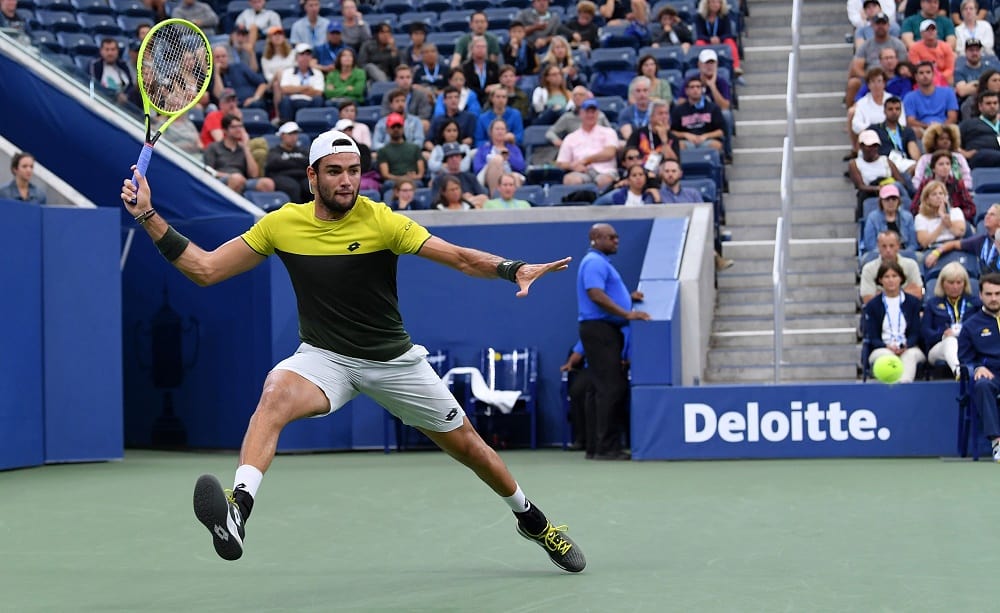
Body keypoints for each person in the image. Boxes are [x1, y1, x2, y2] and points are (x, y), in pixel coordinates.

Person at [119, 128, 585, 571]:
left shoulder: (382, 220)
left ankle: (533, 521)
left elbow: (460, 257)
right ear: (312, 177)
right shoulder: (282, 224)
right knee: (275, 391)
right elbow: (205, 269)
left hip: (393, 362)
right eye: (335, 171)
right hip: (326, 358)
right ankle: (237, 512)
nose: (347, 181)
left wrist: (513, 269)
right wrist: (147, 216)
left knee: (471, 449)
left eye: (353, 170)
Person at [577, 223, 650, 460]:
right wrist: (627, 313)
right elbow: (595, 294)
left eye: (617, 237)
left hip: (601, 330)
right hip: (601, 331)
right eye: (611, 237)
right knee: (610, 388)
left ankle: (595, 446)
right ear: (596, 238)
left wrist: (627, 299)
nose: (616, 240)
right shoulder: (594, 262)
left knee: (599, 388)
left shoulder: (599, 262)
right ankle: (606, 447)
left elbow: (604, 293)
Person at [958, 271, 1000, 461]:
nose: (994, 299)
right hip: (992, 375)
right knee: (982, 384)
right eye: (989, 294)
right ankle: (997, 443)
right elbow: (965, 358)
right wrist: (977, 368)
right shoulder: (970, 325)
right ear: (980, 295)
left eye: (998, 294)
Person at [862, 259, 926, 382]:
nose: (891, 280)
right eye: (886, 277)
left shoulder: (913, 302)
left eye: (894, 276)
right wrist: (887, 346)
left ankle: (904, 388)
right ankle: (893, 394)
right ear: (880, 280)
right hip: (882, 348)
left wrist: (906, 346)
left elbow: (915, 333)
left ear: (901, 278)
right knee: (887, 356)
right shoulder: (873, 305)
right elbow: (873, 336)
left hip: (909, 347)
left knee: (910, 356)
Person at [922, 261, 978, 377]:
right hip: (939, 348)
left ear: (965, 283)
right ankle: (958, 371)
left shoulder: (975, 303)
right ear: (942, 283)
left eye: (959, 282)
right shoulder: (932, 304)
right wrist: (942, 334)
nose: (955, 287)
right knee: (951, 341)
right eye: (951, 282)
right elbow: (925, 333)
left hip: (967, 346)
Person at [204, 114, 276, 195]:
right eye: (234, 127)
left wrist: (246, 148)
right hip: (221, 180)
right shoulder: (214, 147)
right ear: (225, 130)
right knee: (236, 179)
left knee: (268, 183)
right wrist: (231, 176)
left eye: (240, 126)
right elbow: (209, 172)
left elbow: (254, 175)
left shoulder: (243, 149)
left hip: (242, 180)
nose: (238, 130)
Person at [556, 99, 619, 189]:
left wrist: (585, 160)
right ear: (581, 114)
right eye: (587, 112)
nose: (590, 115)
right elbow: (561, 162)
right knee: (570, 179)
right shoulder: (571, 137)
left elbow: (609, 153)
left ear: (597, 114)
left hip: (605, 171)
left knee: (604, 180)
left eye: (593, 112)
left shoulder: (609, 132)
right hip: (582, 172)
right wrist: (573, 166)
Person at [848, 129, 908, 218]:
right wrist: (878, 189)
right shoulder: (854, 164)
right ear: (861, 146)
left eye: (875, 146)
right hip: (870, 194)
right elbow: (860, 186)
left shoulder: (886, 161)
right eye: (869, 146)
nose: (873, 149)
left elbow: (901, 181)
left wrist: (889, 187)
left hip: (890, 191)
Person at [926, 203, 1000, 274]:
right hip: (988, 282)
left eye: (992, 214)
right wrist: (936, 253)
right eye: (987, 213)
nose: (987, 216)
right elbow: (954, 244)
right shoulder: (981, 241)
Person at [860, 229, 924, 303]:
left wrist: (881, 294)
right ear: (878, 247)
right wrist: (905, 292)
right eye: (884, 246)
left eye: (891, 246)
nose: (888, 250)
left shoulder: (911, 265)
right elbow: (867, 299)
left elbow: (921, 292)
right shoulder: (868, 269)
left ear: (898, 246)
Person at [902, 61, 959, 139]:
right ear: (916, 76)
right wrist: (928, 126)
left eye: (928, 72)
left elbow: (952, 117)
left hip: (945, 129)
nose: (925, 75)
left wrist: (940, 127)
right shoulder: (909, 97)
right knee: (914, 131)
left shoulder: (948, 92)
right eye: (921, 73)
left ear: (933, 75)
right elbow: (910, 121)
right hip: (922, 130)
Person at [670, 77, 726, 153]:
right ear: (687, 91)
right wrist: (685, 135)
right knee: (678, 145)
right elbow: (672, 132)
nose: (695, 89)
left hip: (707, 140)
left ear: (702, 90)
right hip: (686, 142)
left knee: (716, 145)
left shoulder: (713, 108)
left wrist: (705, 136)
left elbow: (721, 131)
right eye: (692, 87)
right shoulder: (678, 110)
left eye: (698, 87)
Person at [867, 95, 920, 174]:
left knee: (917, 168)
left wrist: (919, 164)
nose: (894, 112)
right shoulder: (874, 129)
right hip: (884, 163)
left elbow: (914, 152)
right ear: (884, 111)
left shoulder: (907, 131)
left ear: (901, 111)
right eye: (890, 109)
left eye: (897, 109)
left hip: (903, 163)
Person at [912, 123, 973, 191]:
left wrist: (962, 188)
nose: (945, 141)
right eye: (941, 139)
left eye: (948, 139)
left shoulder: (959, 157)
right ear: (934, 141)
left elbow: (966, 176)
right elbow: (917, 179)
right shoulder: (925, 159)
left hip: (957, 192)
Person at [472, 119, 526, 195]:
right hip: (488, 176)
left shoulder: (513, 148)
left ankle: (515, 202)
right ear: (491, 132)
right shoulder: (483, 149)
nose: (500, 131)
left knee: (515, 176)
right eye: (497, 129)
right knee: (497, 160)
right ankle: (495, 196)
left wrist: (509, 157)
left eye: (502, 129)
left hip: (509, 174)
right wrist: (493, 164)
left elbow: (521, 167)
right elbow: (477, 168)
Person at [914, 178, 967, 251]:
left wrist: (946, 220)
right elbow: (924, 243)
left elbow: (960, 233)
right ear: (927, 200)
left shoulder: (956, 212)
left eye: (941, 193)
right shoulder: (920, 218)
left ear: (946, 196)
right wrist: (942, 225)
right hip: (933, 249)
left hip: (954, 247)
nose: (938, 197)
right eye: (934, 194)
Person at [863, 183, 918, 254]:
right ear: (881, 201)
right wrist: (887, 253)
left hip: (904, 253)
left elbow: (913, 244)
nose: (891, 202)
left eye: (894, 199)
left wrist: (903, 253)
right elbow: (870, 245)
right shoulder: (873, 218)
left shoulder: (908, 217)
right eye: (887, 199)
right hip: (879, 254)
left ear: (898, 201)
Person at [277, 44, 325, 123]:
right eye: (302, 54)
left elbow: (318, 92)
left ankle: (313, 124)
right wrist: (305, 88)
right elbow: (284, 89)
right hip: (292, 101)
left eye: (308, 55)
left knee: (318, 99)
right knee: (285, 100)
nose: (305, 57)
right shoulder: (288, 72)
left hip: (310, 102)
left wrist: (294, 89)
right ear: (296, 57)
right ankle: (287, 125)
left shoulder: (317, 73)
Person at [264, 121, 310, 202]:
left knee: (310, 186)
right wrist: (299, 162)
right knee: (292, 187)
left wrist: (287, 161)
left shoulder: (303, 151)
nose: (293, 137)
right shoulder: (274, 151)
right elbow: (274, 163)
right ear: (282, 135)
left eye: (295, 134)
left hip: (302, 176)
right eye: (290, 134)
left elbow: (309, 161)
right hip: (282, 177)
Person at [433, 142, 489, 207]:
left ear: (461, 158)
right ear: (446, 160)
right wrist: (461, 198)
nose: (454, 159)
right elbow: (435, 202)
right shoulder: (439, 180)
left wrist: (469, 201)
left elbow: (484, 197)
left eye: (457, 156)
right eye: (451, 157)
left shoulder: (470, 177)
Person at [693, 0, 741, 75]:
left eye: (718, 2)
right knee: (699, 43)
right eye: (713, 2)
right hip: (706, 41)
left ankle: (736, 67)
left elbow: (728, 33)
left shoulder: (725, 16)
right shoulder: (699, 17)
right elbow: (699, 34)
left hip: (721, 40)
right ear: (707, 4)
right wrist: (710, 39)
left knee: (730, 42)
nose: (715, 4)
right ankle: (700, 67)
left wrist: (719, 39)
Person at [376, 112, 425, 185]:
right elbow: (385, 174)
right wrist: (403, 179)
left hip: (413, 180)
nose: (396, 129)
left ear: (403, 128)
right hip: (393, 182)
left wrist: (413, 177)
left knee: (419, 183)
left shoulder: (415, 148)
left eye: (398, 126)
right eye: (393, 127)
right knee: (388, 184)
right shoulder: (382, 151)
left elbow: (421, 174)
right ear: (387, 129)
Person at [906, 20, 955, 86]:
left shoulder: (946, 47)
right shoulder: (914, 49)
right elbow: (916, 69)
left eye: (933, 29)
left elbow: (950, 68)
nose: (931, 32)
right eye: (927, 30)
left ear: (936, 31)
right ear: (921, 33)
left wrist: (939, 77)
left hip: (944, 80)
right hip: (923, 81)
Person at [959, 90, 1000, 168]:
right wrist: (964, 153)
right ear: (980, 106)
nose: (992, 106)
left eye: (995, 103)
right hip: (979, 158)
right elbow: (951, 142)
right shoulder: (968, 124)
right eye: (988, 103)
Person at [89, 38, 134, 106]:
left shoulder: (123, 66)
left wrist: (126, 95)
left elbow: (131, 85)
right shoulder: (95, 66)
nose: (110, 53)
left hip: (125, 105)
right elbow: (94, 86)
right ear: (101, 51)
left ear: (117, 51)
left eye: (113, 50)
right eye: (107, 50)